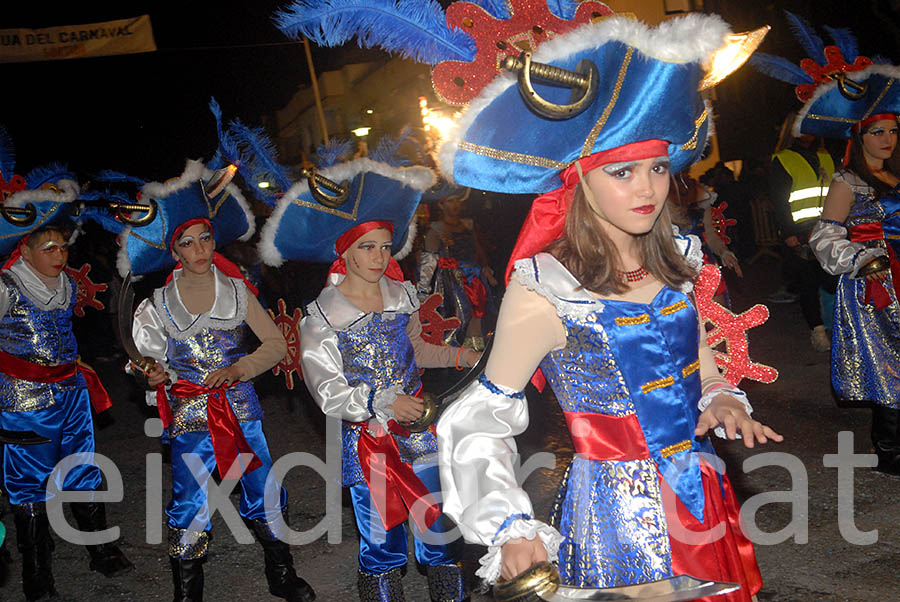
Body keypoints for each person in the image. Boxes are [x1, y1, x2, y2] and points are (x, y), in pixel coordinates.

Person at [259, 155, 476, 601]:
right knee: (382, 539)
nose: (379, 257)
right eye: (367, 247)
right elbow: (327, 392)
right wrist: (382, 401)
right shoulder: (321, 317)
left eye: (384, 246)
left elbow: (416, 350)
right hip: (367, 442)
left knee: (439, 527)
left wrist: (459, 355)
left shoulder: (401, 296)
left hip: (419, 430)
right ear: (344, 251)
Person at [115, 161, 315, 602]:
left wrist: (240, 369)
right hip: (190, 417)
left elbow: (277, 346)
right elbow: (143, 359)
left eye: (205, 237)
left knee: (262, 487)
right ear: (175, 252)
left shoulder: (237, 292)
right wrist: (151, 372)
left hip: (241, 411)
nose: (200, 248)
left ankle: (281, 574)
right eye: (187, 242)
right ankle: (187, 593)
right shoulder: (158, 305)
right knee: (190, 502)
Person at [752, 15, 900, 474]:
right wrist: (863, 258)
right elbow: (825, 234)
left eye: (893, 130)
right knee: (889, 364)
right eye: (878, 131)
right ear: (859, 136)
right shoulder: (847, 181)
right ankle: (891, 449)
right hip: (876, 282)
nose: (888, 139)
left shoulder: (896, 176)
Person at [0, 158, 132, 601]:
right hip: (24, 400)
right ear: (25, 251)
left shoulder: (66, 285)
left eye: (63, 247)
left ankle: (101, 549)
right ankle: (38, 572)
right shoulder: (7, 286)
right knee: (28, 485)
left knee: (84, 469)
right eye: (49, 249)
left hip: (72, 395)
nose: (60, 255)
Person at [768, 118, 838, 352]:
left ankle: (837, 326)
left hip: (828, 227)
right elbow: (779, 200)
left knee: (832, 279)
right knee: (808, 283)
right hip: (800, 231)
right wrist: (788, 233)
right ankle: (817, 332)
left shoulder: (826, 156)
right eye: (802, 128)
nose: (807, 133)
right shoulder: (784, 159)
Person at [417, 184, 498, 349]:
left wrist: (485, 268)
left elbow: (477, 248)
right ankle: (457, 356)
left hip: (474, 277)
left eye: (458, 201)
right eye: (450, 201)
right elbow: (429, 260)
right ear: (441, 205)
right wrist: (423, 289)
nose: (455, 205)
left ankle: (476, 350)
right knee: (459, 316)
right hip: (452, 281)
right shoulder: (436, 229)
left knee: (479, 313)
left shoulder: (467, 224)